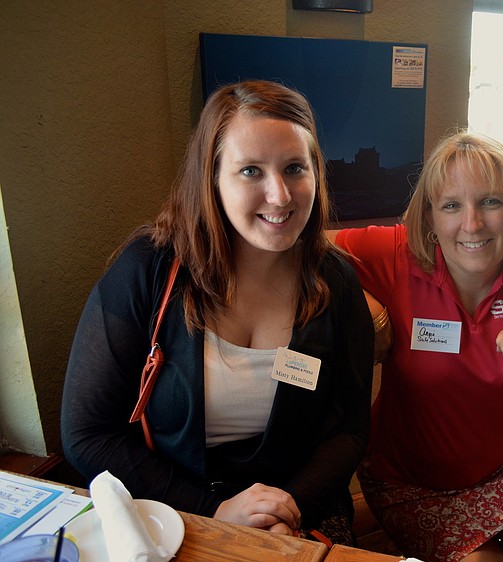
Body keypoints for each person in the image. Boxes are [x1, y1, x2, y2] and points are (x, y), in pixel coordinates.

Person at [61, 80, 374, 545]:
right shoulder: (148, 270)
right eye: (250, 171)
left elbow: (350, 429)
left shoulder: (337, 281)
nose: (280, 195)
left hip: (299, 508)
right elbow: (88, 433)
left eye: (294, 168)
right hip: (172, 508)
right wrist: (215, 512)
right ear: (211, 178)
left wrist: (284, 510)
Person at [330, 131, 503, 561]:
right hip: (409, 485)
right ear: (430, 216)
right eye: (451, 206)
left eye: (490, 202)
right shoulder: (397, 255)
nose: (472, 224)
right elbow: (300, 249)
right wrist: (364, 306)